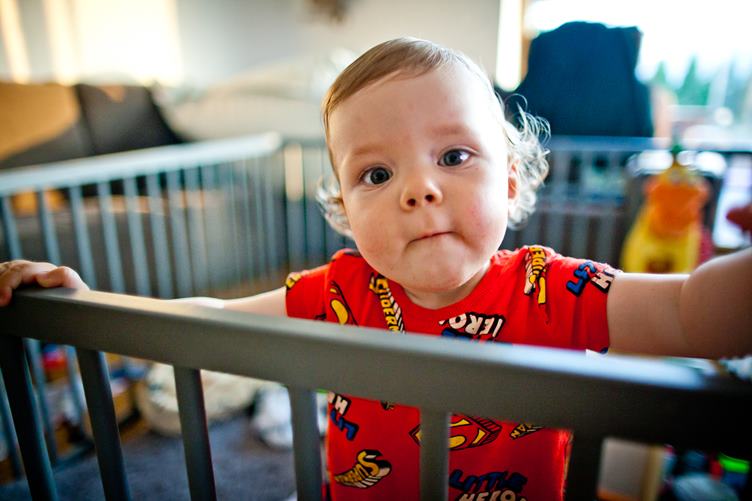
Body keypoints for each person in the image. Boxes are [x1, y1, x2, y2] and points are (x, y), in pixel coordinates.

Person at [1, 38, 750, 500]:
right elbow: (212, 324)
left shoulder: (550, 289)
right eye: (377, 174)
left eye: (453, 155)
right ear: (344, 212)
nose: (418, 189)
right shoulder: (342, 292)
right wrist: (87, 301)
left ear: (511, 181)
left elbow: (690, 312)